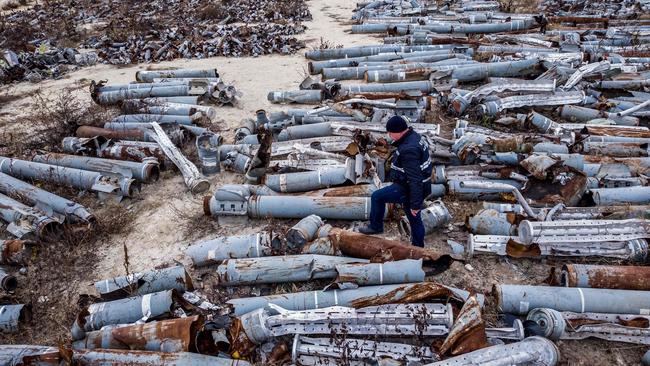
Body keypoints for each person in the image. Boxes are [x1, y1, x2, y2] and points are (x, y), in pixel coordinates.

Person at [358, 115, 432, 247]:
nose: (389, 135)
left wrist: (416, 203)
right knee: (413, 218)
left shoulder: (409, 150)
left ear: (399, 131)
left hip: (409, 188)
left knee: (378, 197)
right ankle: (417, 246)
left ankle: (377, 227)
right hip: (413, 186)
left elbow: (415, 179)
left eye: (390, 133)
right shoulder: (414, 137)